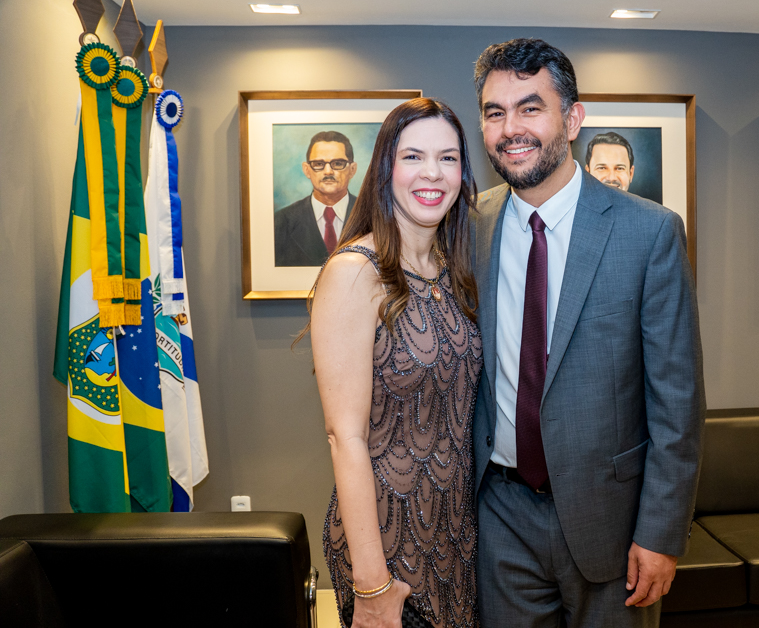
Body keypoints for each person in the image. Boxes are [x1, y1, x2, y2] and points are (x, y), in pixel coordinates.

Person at [471, 38, 705, 627]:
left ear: (572, 119)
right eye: (495, 112)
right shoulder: (470, 225)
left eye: (530, 107)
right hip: (500, 516)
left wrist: (661, 534)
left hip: (614, 522)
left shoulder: (649, 233)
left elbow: (677, 402)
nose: (510, 128)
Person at [309, 98, 482, 628]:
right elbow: (346, 436)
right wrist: (372, 583)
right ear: (386, 169)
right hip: (385, 543)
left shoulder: (451, 269)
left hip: (454, 533)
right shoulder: (355, 272)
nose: (432, 173)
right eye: (414, 156)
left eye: (448, 158)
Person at [274, 130, 359, 267]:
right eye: (319, 164)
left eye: (337, 163)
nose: (328, 171)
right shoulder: (280, 222)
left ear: (352, 169)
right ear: (307, 170)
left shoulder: (375, 217)